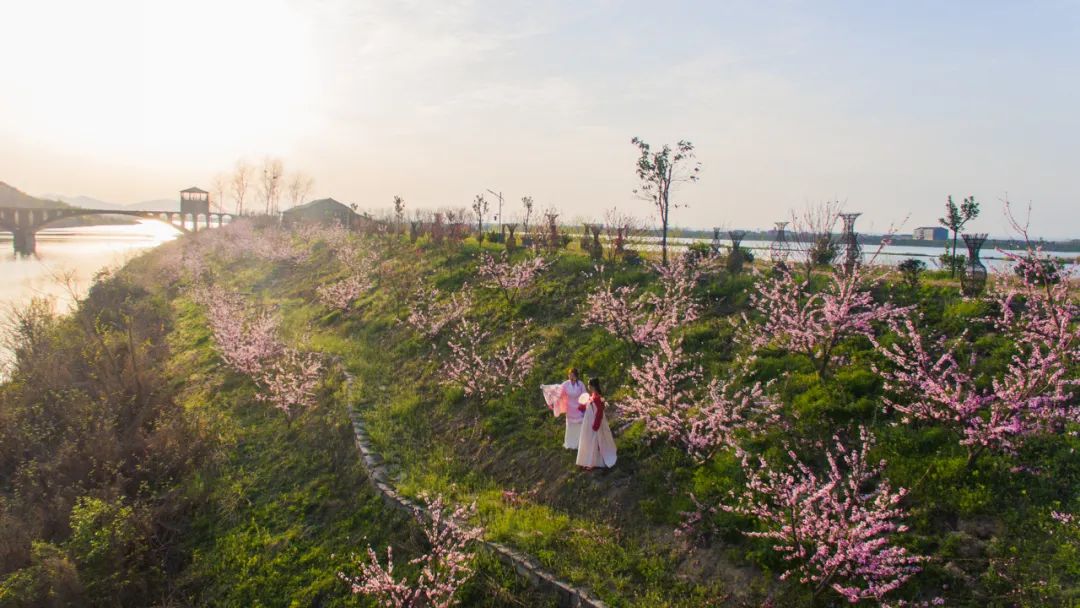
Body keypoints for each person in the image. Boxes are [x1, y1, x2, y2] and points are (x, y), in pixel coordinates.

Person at [541, 367, 588, 449]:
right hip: (570, 408)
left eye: (572, 375)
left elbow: (585, 394)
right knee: (571, 426)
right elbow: (557, 389)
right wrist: (546, 388)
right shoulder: (566, 384)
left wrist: (584, 404)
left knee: (579, 425)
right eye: (569, 375)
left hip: (579, 407)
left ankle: (581, 443)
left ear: (576, 376)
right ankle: (570, 444)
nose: (570, 377)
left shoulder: (580, 384)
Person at [576, 377, 617, 470]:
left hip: (594, 422)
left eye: (588, 384)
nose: (588, 386)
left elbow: (599, 412)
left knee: (595, 441)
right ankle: (589, 461)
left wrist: (596, 424)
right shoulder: (593, 396)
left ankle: (593, 462)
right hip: (590, 422)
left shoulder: (597, 397)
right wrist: (582, 406)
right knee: (591, 441)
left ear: (592, 386)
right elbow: (590, 407)